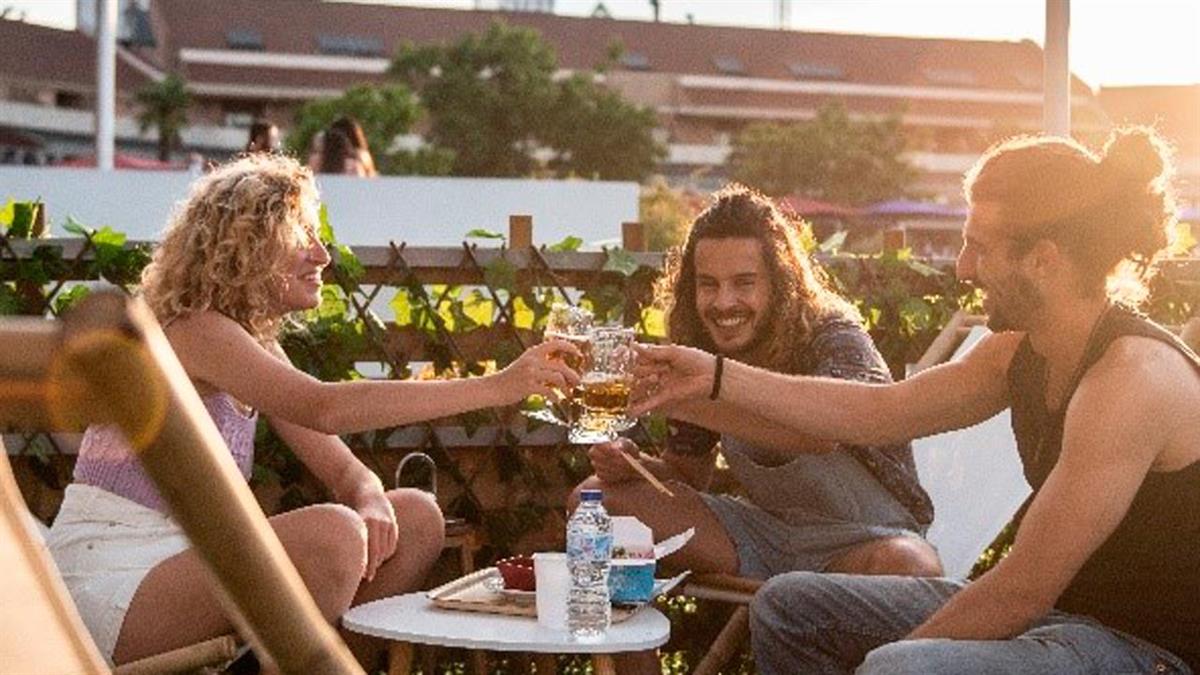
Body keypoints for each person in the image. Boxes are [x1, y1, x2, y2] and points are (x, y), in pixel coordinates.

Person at [633, 127, 1199, 675]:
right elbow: (874, 412)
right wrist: (713, 376)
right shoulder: (1017, 353)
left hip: (1144, 650)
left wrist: (890, 660)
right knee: (788, 607)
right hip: (1062, 624)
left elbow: (1022, 590)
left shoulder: (1131, 379)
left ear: (1043, 259)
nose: (962, 268)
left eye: (978, 248)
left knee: (904, 666)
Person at [46, 154, 580, 668]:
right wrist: (499, 386)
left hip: (191, 558)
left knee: (415, 518)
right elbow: (323, 407)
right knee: (336, 537)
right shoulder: (196, 330)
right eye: (303, 236)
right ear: (250, 247)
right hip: (116, 575)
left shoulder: (249, 340)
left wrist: (369, 495)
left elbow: (344, 469)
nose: (322, 255)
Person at [571, 185, 940, 584]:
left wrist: (684, 399)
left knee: (911, 565)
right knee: (595, 501)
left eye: (744, 283)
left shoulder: (834, 335)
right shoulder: (701, 345)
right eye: (708, 284)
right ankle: (630, 646)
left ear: (779, 282)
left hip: (869, 540)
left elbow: (823, 435)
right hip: (768, 537)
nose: (723, 302)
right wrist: (635, 466)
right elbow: (687, 476)